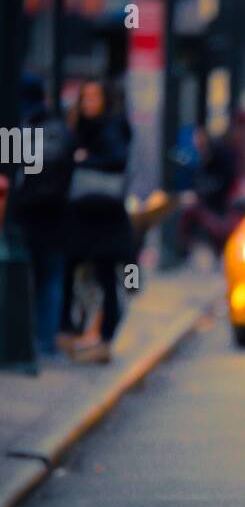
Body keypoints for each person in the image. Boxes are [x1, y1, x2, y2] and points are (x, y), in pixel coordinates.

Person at [59, 80, 134, 364]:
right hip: (83, 214)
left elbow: (118, 159)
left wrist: (85, 160)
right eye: (85, 97)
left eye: (95, 97)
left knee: (106, 276)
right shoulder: (77, 127)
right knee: (70, 270)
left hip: (105, 215)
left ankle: (103, 339)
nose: (89, 102)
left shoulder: (111, 127)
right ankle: (72, 332)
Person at [14, 78, 73, 358]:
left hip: (23, 215)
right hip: (55, 216)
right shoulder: (59, 129)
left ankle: (27, 340)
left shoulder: (17, 128)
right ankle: (45, 342)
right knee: (50, 278)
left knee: (29, 278)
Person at [179, 125, 239, 257]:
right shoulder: (201, 158)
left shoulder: (220, 154)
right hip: (209, 204)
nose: (198, 145)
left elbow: (226, 180)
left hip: (220, 204)